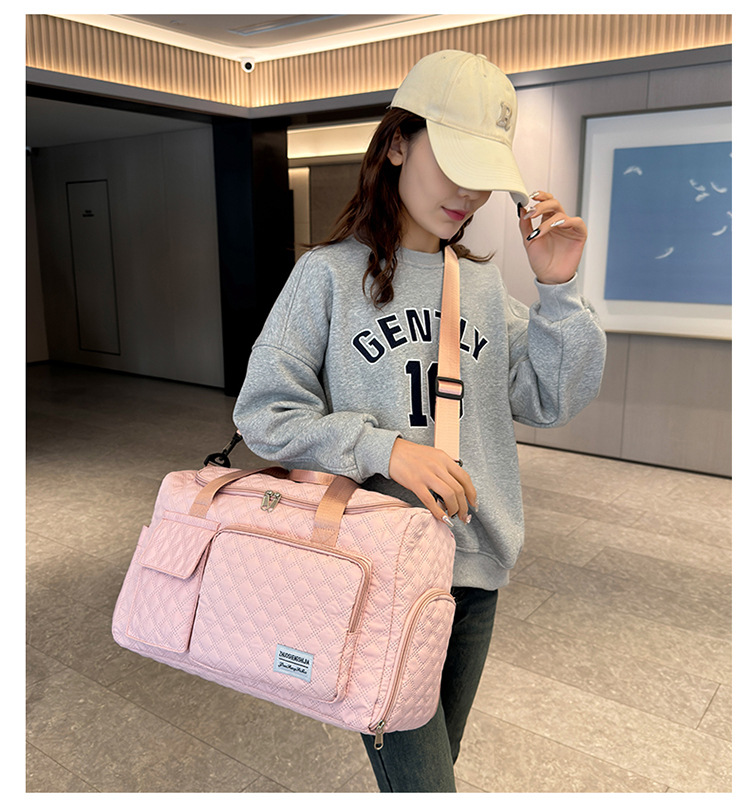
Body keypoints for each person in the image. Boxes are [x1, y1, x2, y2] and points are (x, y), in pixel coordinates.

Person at [233, 50, 607, 792]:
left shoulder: (483, 288)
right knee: (428, 786)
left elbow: (551, 398)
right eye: (453, 163)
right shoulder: (326, 277)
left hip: (474, 571)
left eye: (482, 173)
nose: (468, 192)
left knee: (431, 778)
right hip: (376, 572)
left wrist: (560, 290)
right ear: (398, 143)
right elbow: (264, 414)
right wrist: (388, 450)